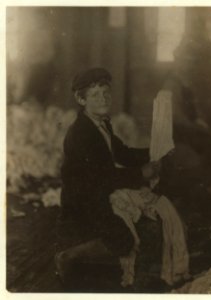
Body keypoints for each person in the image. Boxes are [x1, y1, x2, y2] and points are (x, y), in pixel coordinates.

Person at [55, 68, 161, 284]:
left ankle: (101, 261)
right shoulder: (82, 133)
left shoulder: (101, 123)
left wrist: (155, 152)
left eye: (106, 93)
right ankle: (68, 257)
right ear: (80, 99)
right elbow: (104, 177)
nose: (103, 99)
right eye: (94, 95)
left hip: (97, 191)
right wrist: (141, 173)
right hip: (82, 200)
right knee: (124, 241)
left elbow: (121, 152)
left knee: (136, 222)